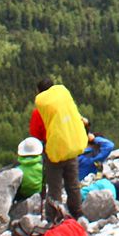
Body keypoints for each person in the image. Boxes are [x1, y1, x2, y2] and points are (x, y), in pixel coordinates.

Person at [30, 78, 85, 221]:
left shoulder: (40, 112)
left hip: (53, 151)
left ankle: (54, 218)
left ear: (39, 92)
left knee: (54, 188)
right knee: (73, 184)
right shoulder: (65, 105)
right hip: (70, 147)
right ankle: (78, 213)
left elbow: (35, 134)